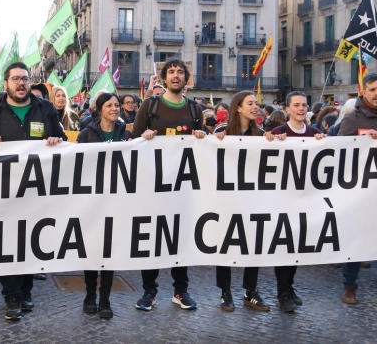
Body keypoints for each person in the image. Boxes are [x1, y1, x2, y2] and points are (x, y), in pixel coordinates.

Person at [0, 61, 67, 320]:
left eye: (25, 78)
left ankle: (26, 290)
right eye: (15, 79)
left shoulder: (45, 109)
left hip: (37, 191)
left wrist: (56, 140)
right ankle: (11, 295)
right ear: (6, 84)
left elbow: (64, 143)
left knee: (30, 242)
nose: (21, 83)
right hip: (3, 191)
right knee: (7, 242)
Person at [132, 59, 206, 312]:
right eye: (171, 72)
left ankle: (180, 290)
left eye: (180, 72)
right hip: (153, 188)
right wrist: (143, 137)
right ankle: (149, 291)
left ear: (187, 78)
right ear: (164, 77)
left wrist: (202, 137)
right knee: (152, 238)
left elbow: (204, 150)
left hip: (183, 189)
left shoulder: (195, 110)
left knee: (180, 239)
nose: (176, 76)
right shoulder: (150, 106)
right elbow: (133, 143)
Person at [265, 91, 326, 312]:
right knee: (284, 247)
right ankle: (283, 293)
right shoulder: (278, 132)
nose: (301, 109)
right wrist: (270, 140)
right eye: (297, 105)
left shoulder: (315, 133)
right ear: (288, 109)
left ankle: (289, 287)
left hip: (306, 200)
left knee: (298, 248)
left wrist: (322, 143)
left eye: (304, 105)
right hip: (282, 200)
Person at [213, 91, 270, 313]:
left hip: (253, 199)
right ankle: (225, 291)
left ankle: (250, 291)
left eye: (256, 103)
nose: (255, 106)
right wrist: (210, 141)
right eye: (250, 103)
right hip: (226, 199)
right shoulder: (221, 132)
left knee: (253, 245)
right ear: (238, 107)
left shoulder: (262, 134)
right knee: (225, 244)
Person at [76, 92, 130, 319]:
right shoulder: (86, 134)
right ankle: (90, 294)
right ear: (99, 109)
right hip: (92, 202)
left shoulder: (125, 133)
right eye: (109, 105)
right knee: (92, 250)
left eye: (117, 105)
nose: (115, 109)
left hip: (116, 200)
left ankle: (105, 298)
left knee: (109, 251)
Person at [334, 74, 377, 305]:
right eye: (372, 89)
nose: (376, 93)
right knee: (357, 239)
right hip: (360, 190)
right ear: (364, 92)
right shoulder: (352, 119)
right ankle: (349, 286)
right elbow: (339, 151)